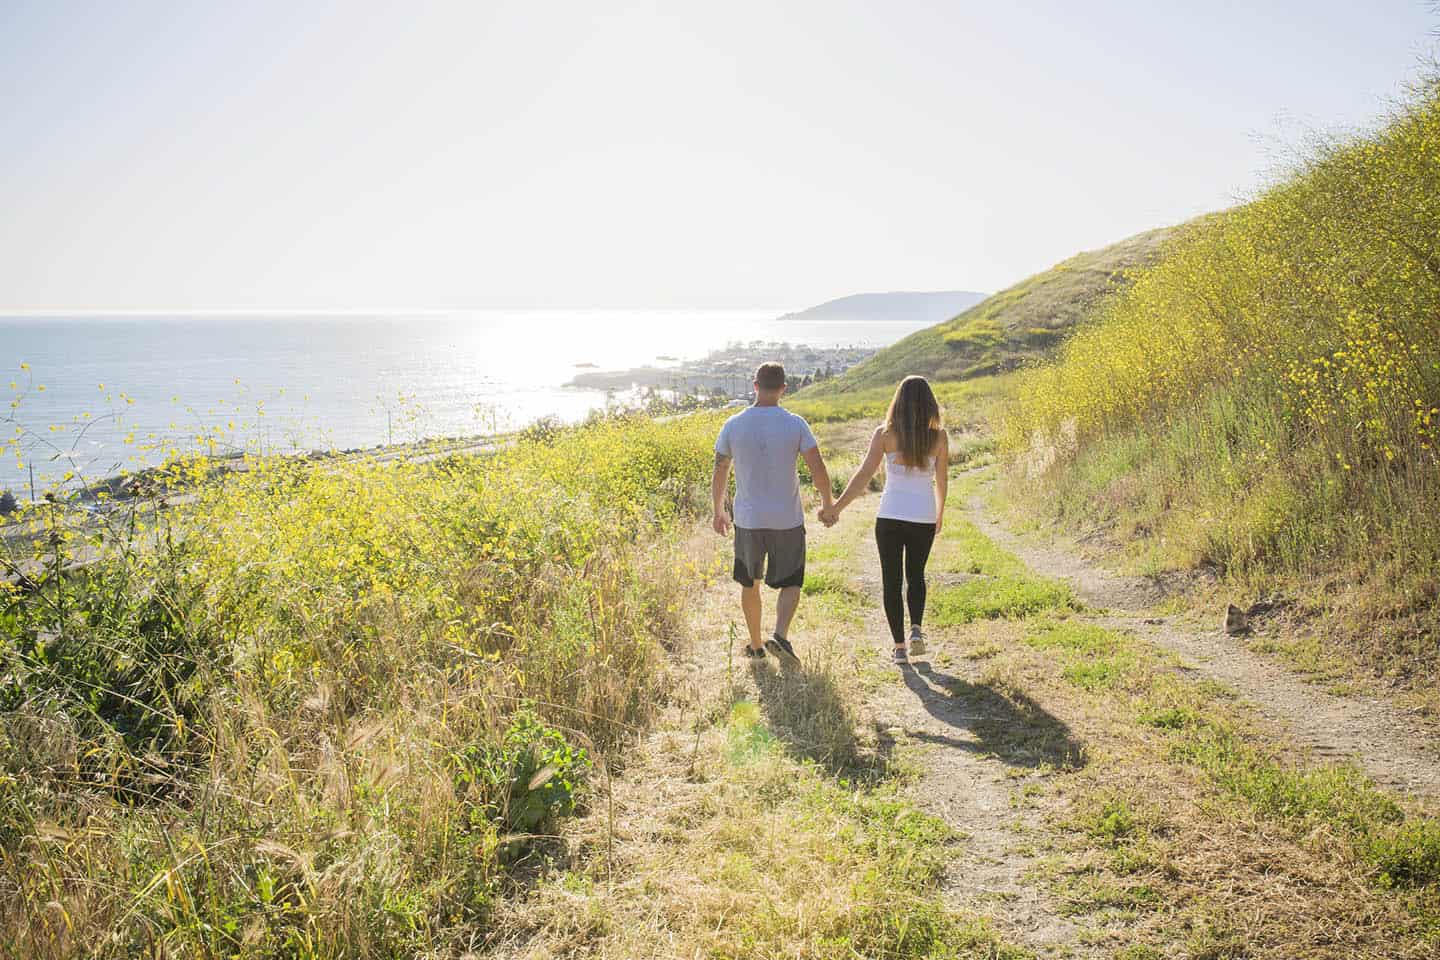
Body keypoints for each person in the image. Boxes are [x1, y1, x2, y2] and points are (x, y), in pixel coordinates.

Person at [712, 362, 834, 665]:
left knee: (749, 582)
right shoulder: (795, 424)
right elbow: (817, 467)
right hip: (787, 520)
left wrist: (718, 510)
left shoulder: (733, 424)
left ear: (755, 386)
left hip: (749, 521)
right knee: (791, 580)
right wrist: (828, 502)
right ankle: (779, 634)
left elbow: (720, 468)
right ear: (783, 389)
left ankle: (755, 646)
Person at [820, 375, 947, 664]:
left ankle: (899, 648)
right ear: (929, 403)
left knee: (891, 580)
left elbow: (863, 475)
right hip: (922, 516)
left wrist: (836, 507)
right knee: (916, 575)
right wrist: (939, 513)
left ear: (898, 402)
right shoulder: (939, 437)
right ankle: (916, 630)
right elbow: (942, 481)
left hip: (890, 516)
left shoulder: (885, 434)